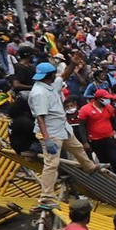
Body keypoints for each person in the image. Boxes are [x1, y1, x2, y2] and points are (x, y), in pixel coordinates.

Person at [29, 60, 98, 208]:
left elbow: (64, 76)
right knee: (51, 164)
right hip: (50, 131)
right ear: (50, 75)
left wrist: (73, 62)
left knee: (78, 148)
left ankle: (90, 167)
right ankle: (46, 197)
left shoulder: (50, 84)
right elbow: (40, 118)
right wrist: (47, 139)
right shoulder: (39, 93)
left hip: (62, 127)